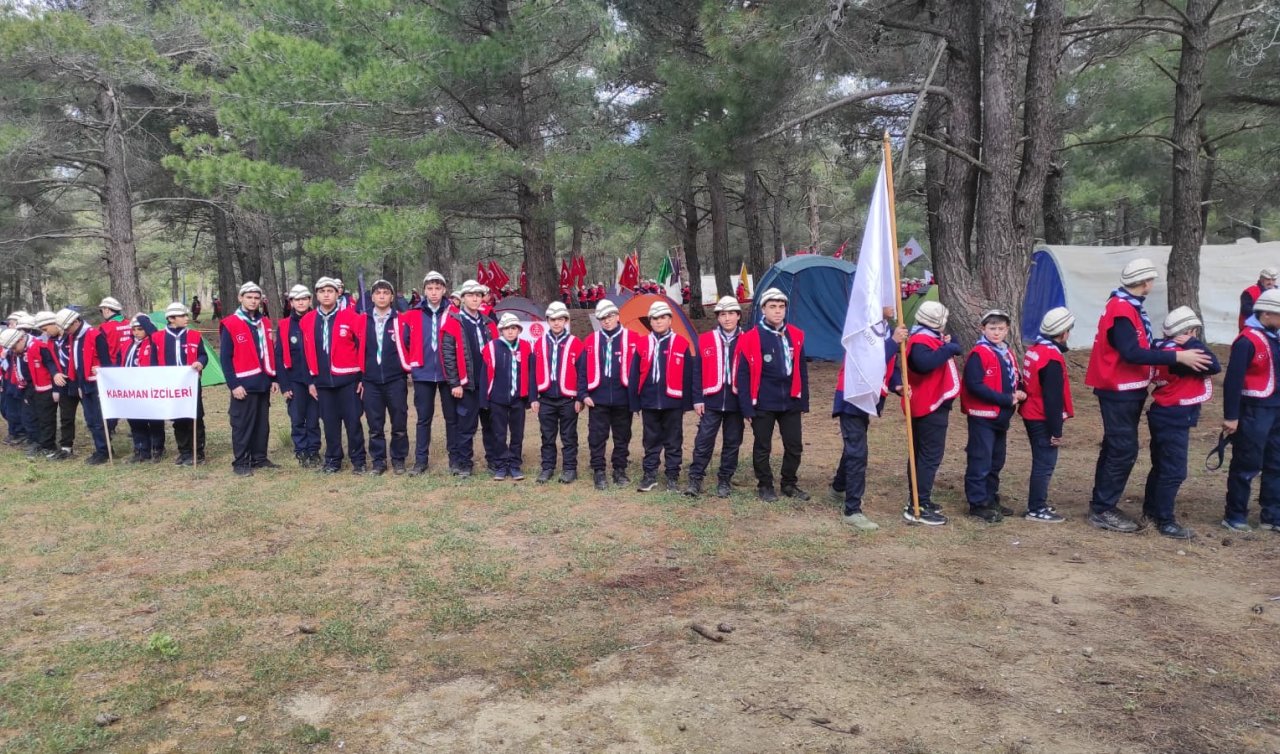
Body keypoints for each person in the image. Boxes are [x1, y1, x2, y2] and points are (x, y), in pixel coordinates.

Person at [1084, 259, 1212, 532]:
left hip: (1127, 387)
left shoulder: (1126, 307)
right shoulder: (1121, 310)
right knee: (1122, 449)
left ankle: (1102, 503)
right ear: (1145, 282)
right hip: (1117, 388)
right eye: (1151, 280)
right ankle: (1103, 508)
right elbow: (1131, 353)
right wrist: (1177, 355)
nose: (1152, 285)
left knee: (1117, 447)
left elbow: (1138, 346)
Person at [1140, 307, 1221, 538]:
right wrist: (1194, 344)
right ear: (1190, 331)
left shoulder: (1163, 349)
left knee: (1161, 466)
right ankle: (1165, 520)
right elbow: (1214, 365)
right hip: (1174, 415)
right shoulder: (1183, 355)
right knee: (1174, 471)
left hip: (1164, 412)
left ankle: (1151, 511)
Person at [831, 308, 908, 531]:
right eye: (887, 299)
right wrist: (893, 341)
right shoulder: (861, 330)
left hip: (870, 398)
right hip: (853, 395)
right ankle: (852, 510)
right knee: (858, 452)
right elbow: (868, 360)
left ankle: (838, 487)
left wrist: (896, 385)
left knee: (854, 447)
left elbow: (888, 363)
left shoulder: (885, 330)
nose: (892, 304)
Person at [736, 288, 809, 502]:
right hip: (763, 402)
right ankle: (765, 485)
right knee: (762, 446)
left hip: (790, 401)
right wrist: (747, 407)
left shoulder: (796, 335)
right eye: (772, 307)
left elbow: (801, 370)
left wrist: (803, 400)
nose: (777, 311)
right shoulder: (750, 338)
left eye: (781, 307)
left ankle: (789, 483)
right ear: (763, 310)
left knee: (794, 445)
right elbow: (743, 375)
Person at [1221, 288, 1280, 532]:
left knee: (1276, 462)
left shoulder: (1275, 336)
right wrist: (1231, 416)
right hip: (1254, 409)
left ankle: (1272, 514)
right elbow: (1233, 381)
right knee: (1247, 462)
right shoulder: (1247, 340)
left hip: (1276, 407)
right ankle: (1235, 514)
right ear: (1267, 314)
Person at [959, 309, 1026, 523]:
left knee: (996, 460)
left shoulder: (1007, 352)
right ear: (983, 329)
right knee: (981, 459)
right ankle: (977, 503)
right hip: (983, 416)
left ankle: (990, 497)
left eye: (1000, 329)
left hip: (1001, 417)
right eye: (992, 328)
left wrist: (1021, 389)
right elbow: (974, 385)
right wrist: (1005, 398)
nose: (996, 333)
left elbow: (1013, 376)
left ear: (1007, 330)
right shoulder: (980, 353)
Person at [900, 300, 963, 525]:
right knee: (928, 456)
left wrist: (949, 344)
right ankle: (919, 503)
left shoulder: (925, 338)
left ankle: (918, 498)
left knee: (921, 455)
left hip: (929, 405)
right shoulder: (920, 341)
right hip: (929, 406)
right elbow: (923, 364)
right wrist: (947, 349)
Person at [301, 277, 366, 475]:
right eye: (322, 291)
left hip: (348, 379)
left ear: (338, 293)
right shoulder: (308, 320)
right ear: (316, 296)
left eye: (330, 290)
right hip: (322, 381)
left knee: (353, 421)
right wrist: (310, 380)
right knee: (329, 423)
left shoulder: (352, 317)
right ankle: (332, 460)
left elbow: (363, 347)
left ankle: (359, 460)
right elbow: (306, 353)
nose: (326, 294)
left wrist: (362, 377)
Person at [631, 300, 696, 492]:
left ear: (670, 320)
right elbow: (634, 374)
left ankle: (672, 476)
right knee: (650, 439)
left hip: (673, 401)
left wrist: (686, 404)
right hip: (649, 400)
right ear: (649, 321)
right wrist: (635, 402)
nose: (658, 321)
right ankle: (649, 474)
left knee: (673, 440)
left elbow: (688, 376)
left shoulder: (681, 343)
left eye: (662, 318)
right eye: (654, 318)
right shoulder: (642, 344)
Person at [1019, 307, 1075, 523]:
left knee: (1041, 461)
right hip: (1041, 416)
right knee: (1044, 463)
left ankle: (1037, 504)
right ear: (1062, 333)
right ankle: (1036, 507)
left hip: (1031, 412)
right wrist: (1056, 430)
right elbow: (1053, 398)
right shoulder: (1051, 358)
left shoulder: (1036, 349)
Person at [686, 296, 745, 499]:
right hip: (711, 399)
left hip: (736, 401)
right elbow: (697, 372)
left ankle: (725, 479)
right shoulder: (705, 339)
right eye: (722, 314)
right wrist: (697, 399)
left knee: (732, 441)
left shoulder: (747, 339)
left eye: (731, 314)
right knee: (704, 440)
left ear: (738, 315)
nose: (727, 318)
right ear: (717, 317)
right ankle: (695, 478)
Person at [220, 282, 280, 477]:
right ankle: (241, 462)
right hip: (243, 384)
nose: (253, 301)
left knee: (262, 424)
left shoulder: (264, 322)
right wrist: (233, 384)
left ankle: (259, 457)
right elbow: (225, 358)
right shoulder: (231, 323)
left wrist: (274, 377)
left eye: (256, 298)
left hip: (262, 382)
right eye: (249, 297)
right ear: (240, 298)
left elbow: (269, 352)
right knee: (243, 424)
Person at [440, 280, 498, 477]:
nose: (475, 298)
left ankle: (494, 460)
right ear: (462, 298)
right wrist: (454, 382)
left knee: (490, 425)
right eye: (470, 295)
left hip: (487, 384)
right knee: (466, 427)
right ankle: (465, 464)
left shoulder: (489, 323)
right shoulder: (453, 322)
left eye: (478, 295)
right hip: (467, 384)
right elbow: (447, 355)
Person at [360, 279, 415, 475]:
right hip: (371, 380)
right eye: (378, 293)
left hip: (395, 379)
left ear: (392, 297)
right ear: (372, 297)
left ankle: (399, 459)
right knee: (375, 424)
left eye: (386, 293)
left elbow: (410, 345)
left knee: (399, 421)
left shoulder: (401, 320)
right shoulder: (363, 321)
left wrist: (407, 371)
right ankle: (378, 461)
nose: (382, 296)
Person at [580, 298, 636, 490]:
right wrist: (583, 394)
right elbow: (582, 370)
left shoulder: (633, 338)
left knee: (622, 436)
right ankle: (599, 471)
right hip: (598, 399)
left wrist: (636, 396)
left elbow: (640, 370)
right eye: (602, 318)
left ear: (618, 316)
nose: (607, 320)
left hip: (623, 397)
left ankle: (619, 469)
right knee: (597, 436)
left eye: (610, 316)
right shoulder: (591, 340)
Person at [145, 303, 209, 465]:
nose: (187, 319)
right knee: (178, 418)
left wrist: (200, 363)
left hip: (192, 385)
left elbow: (203, 355)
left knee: (195, 417)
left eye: (187, 315)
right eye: (183, 316)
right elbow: (153, 363)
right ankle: (184, 451)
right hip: (171, 386)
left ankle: (198, 452)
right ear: (171, 319)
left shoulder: (194, 335)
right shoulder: (157, 338)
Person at [403, 271, 453, 476]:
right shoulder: (413, 313)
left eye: (437, 288)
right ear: (424, 290)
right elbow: (405, 341)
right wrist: (412, 364)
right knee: (424, 418)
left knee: (452, 418)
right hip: (422, 373)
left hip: (447, 373)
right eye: (430, 289)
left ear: (444, 290)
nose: (433, 293)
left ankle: (455, 459)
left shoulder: (452, 312)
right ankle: (420, 460)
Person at [531, 301, 582, 484]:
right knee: (547, 436)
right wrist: (533, 397)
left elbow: (582, 372)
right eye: (553, 319)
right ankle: (547, 467)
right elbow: (532, 372)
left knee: (569, 436)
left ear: (566, 320)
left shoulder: (575, 343)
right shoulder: (539, 344)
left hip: (568, 398)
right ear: (547, 321)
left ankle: (569, 468)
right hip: (546, 399)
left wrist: (580, 397)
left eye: (560, 319)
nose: (556, 323)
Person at [481, 312, 534, 480]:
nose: (510, 332)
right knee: (499, 433)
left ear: (519, 330)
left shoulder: (525, 347)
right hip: (498, 398)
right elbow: (485, 375)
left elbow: (531, 374)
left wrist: (531, 397)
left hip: (518, 398)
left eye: (513, 328)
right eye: (506, 329)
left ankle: (515, 464)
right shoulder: (492, 347)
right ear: (500, 331)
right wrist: (484, 399)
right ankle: (501, 464)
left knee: (517, 433)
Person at [58, 308, 113, 465]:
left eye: (68, 328)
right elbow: (74, 360)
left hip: (95, 382)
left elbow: (106, 361)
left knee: (97, 419)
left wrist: (100, 369)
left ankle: (103, 451)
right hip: (82, 381)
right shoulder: (73, 336)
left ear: (76, 322)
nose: (66, 331)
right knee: (90, 419)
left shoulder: (95, 335)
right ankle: (101, 447)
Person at [278, 285, 321, 468]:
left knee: (313, 418)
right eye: (297, 299)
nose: (301, 302)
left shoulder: (318, 320)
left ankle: (314, 450)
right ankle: (301, 450)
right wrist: (284, 385)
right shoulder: (284, 325)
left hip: (315, 380)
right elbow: (279, 357)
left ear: (310, 300)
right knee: (297, 418)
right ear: (292, 303)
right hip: (294, 380)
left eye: (304, 298)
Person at [121, 313, 165, 462]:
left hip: (150, 387)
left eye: (140, 328)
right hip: (131, 389)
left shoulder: (153, 341)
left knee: (154, 419)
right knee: (135, 420)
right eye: (134, 329)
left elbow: (153, 332)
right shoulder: (127, 345)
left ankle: (157, 448)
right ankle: (141, 449)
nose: (137, 332)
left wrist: (141, 318)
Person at [27, 312, 62, 459]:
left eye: (45, 328)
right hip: (41, 387)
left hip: (51, 386)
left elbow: (51, 364)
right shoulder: (39, 344)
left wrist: (55, 388)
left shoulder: (44, 345)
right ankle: (45, 443)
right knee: (43, 417)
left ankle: (50, 446)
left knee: (48, 418)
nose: (43, 332)